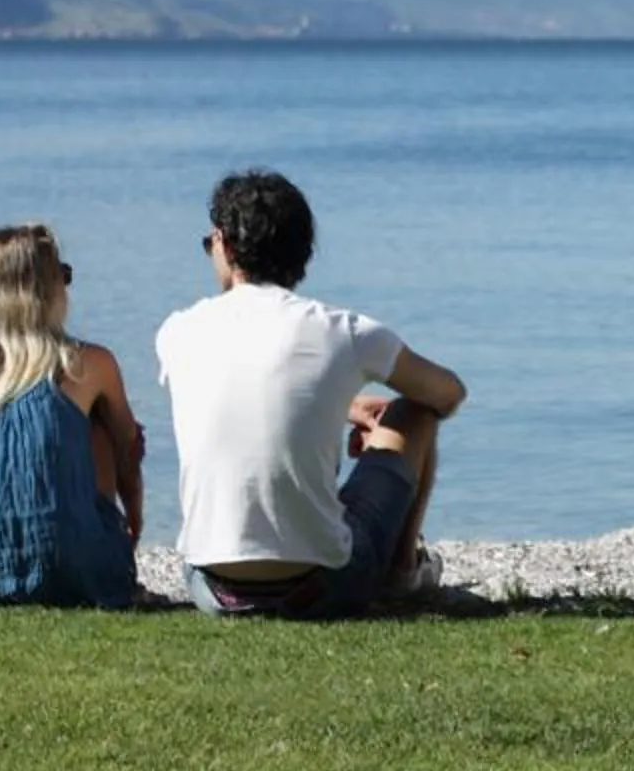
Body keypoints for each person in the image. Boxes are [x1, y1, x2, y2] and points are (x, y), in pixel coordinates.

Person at [157, 168, 463, 619]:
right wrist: (358, 408)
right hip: (324, 587)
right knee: (415, 411)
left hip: (211, 588)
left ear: (224, 243)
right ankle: (403, 574)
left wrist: (341, 406)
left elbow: (241, 397)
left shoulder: (177, 332)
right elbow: (448, 394)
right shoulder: (344, 332)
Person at [0, 223, 145, 608]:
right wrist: (133, 518)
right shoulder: (87, 364)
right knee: (98, 427)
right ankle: (84, 551)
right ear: (41, 294)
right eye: (63, 277)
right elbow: (127, 446)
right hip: (66, 570)